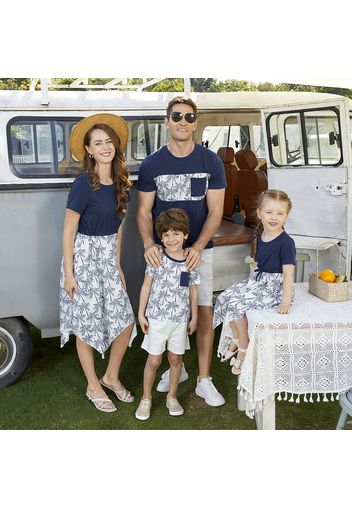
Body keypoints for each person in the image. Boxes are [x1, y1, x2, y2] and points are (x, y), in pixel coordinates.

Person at [137, 96, 226, 407]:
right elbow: (144, 212)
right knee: (166, 308)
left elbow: (216, 211)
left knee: (202, 311)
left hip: (200, 250)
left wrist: (199, 246)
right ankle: (179, 368)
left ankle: (204, 379)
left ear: (195, 123)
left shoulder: (211, 162)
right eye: (177, 116)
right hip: (165, 253)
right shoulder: (151, 164)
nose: (183, 122)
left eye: (189, 117)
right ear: (167, 122)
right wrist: (150, 244)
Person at [60, 113, 137, 412]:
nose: (104, 147)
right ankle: (93, 385)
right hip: (84, 259)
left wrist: (117, 264)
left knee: (125, 322)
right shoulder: (83, 183)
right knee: (87, 325)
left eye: (108, 141)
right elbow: (69, 230)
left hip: (107, 258)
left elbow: (118, 228)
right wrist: (69, 274)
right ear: (88, 150)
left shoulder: (120, 182)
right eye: (97, 143)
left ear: (115, 146)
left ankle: (110, 377)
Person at [213, 189, 296, 374]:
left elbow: (288, 274)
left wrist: (285, 300)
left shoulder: (286, 242)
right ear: (259, 213)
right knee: (225, 297)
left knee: (237, 305)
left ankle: (243, 346)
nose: (274, 217)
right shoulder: (260, 236)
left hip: (275, 287)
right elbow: (258, 263)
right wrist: (250, 283)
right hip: (259, 281)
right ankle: (236, 337)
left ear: (286, 216)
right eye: (269, 212)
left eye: (280, 213)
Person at [135, 209, 199, 420]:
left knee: (175, 358)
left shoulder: (191, 261)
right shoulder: (157, 259)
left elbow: (193, 290)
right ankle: (146, 398)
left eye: (176, 233)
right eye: (166, 235)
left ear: (185, 235)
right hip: (156, 319)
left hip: (180, 321)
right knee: (153, 361)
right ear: (161, 238)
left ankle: (172, 396)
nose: (171, 239)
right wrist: (141, 314)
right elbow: (146, 286)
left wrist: (195, 316)